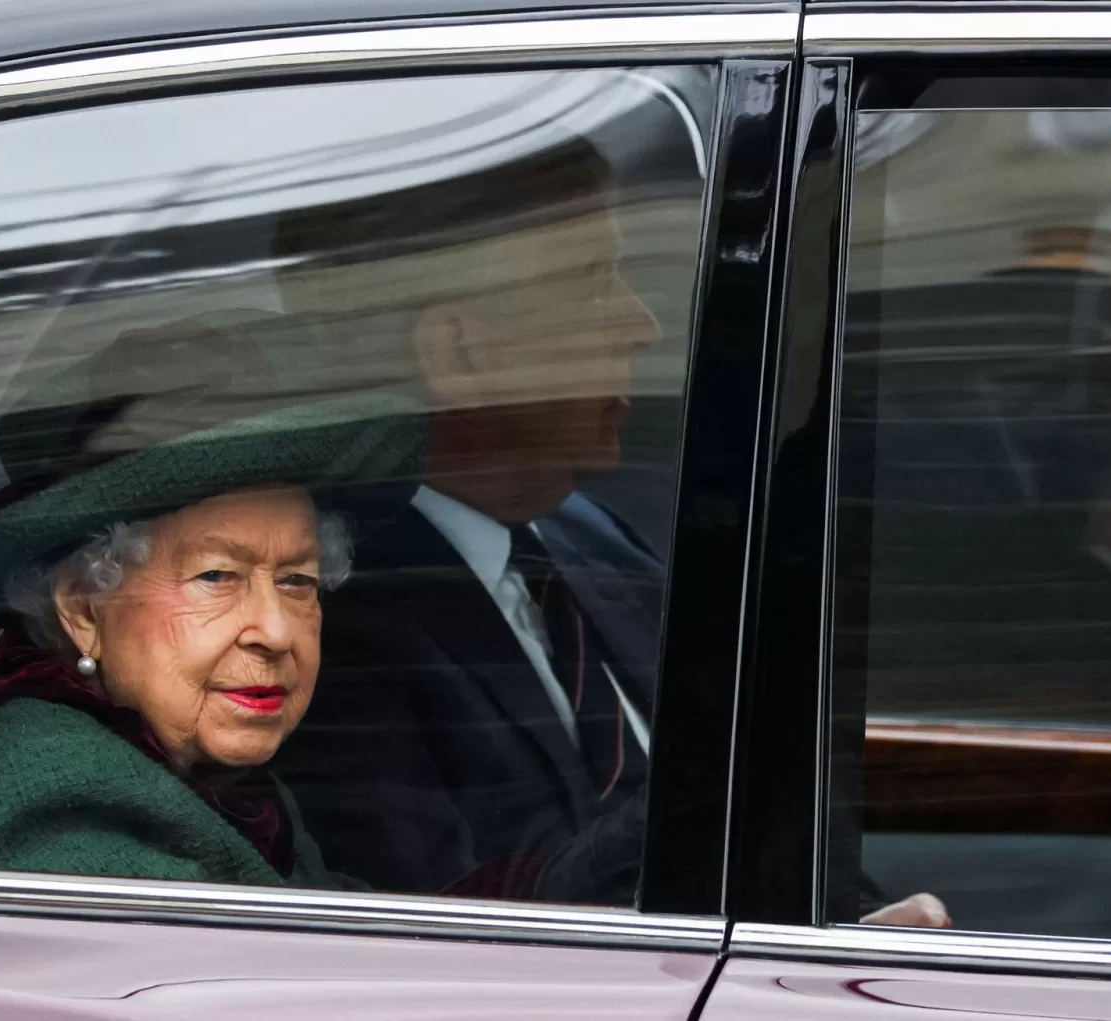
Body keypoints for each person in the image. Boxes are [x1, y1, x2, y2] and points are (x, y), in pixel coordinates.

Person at [270, 136, 950, 924]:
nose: (642, 324)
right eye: (593, 285)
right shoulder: (332, 622)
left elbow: (764, 826)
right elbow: (455, 938)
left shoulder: (585, 535)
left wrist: (862, 925)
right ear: (460, 353)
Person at [0, 321, 641, 902]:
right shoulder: (53, 808)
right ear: (83, 605)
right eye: (216, 575)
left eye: (299, 581)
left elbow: (355, 948)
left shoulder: (186, 775)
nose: (275, 632)